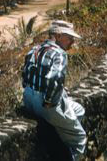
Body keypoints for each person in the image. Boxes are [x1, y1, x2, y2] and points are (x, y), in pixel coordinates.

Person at [22, 20, 86, 160]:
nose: (72, 41)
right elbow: (55, 78)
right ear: (57, 35)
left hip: (28, 99)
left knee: (79, 110)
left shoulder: (35, 49)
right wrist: (49, 102)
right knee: (80, 139)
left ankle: (60, 136)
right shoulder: (59, 53)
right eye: (69, 38)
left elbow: (25, 74)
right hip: (45, 104)